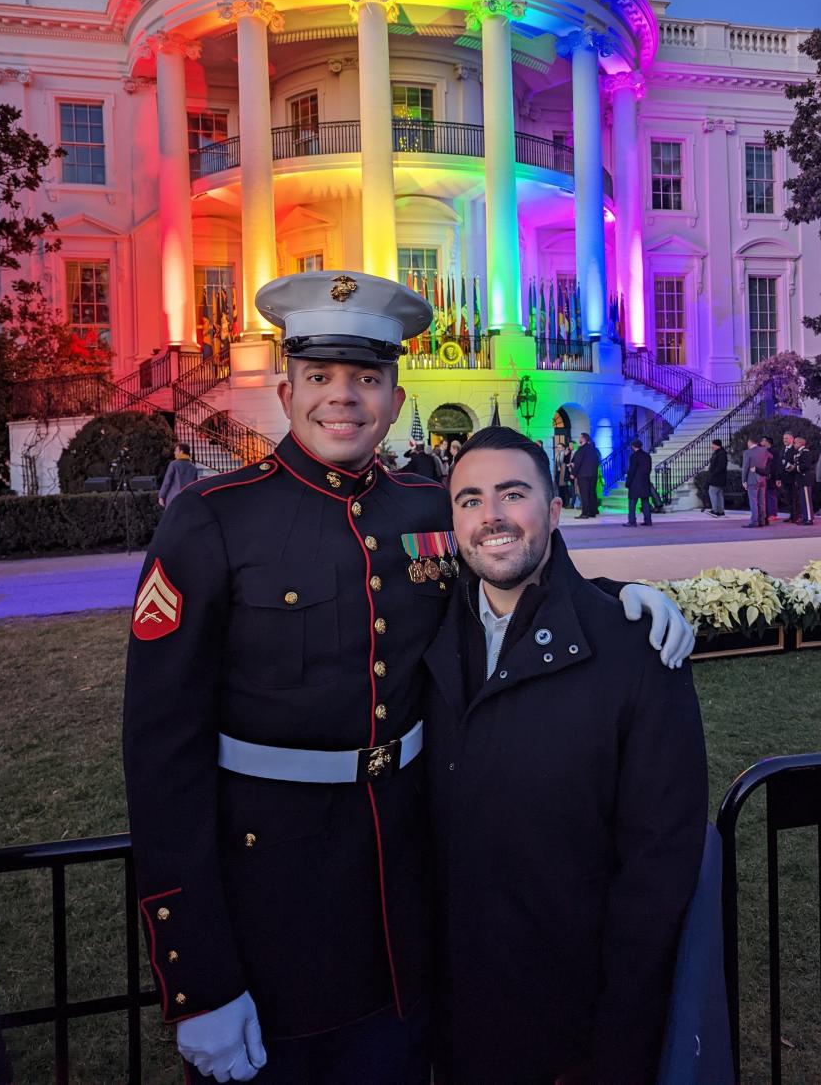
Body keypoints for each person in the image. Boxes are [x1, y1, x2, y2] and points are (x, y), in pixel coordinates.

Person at [123, 269, 696, 1084]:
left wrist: (616, 599)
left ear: (395, 398)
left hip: (410, 900)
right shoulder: (212, 518)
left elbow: (508, 563)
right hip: (274, 906)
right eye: (320, 376)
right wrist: (199, 979)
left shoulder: (429, 507)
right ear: (287, 391)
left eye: (366, 377)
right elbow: (161, 761)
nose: (343, 398)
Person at [424, 427, 708, 1084]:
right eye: (469, 499)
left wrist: (616, 1048)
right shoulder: (430, 638)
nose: (490, 515)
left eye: (512, 493)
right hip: (453, 1026)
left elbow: (657, 875)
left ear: (554, 510)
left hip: (574, 1035)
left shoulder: (638, 655)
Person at [741, 433, 771, 528]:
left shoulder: (747, 452)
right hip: (762, 478)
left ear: (750, 442)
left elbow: (745, 467)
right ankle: (762, 520)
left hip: (752, 479)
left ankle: (754, 521)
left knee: (753, 501)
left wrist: (743, 480)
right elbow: (771, 458)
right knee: (762, 501)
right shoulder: (765, 450)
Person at [157, 443, 198, 508]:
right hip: (188, 499)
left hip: (174, 498)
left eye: (176, 450)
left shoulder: (174, 464)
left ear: (181, 452)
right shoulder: (193, 468)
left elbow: (167, 482)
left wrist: (161, 496)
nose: (174, 453)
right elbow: (195, 485)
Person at [571, 430, 601, 518]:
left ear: (583, 439)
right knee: (592, 493)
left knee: (584, 494)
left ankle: (585, 513)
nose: (579, 439)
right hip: (593, 474)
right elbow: (597, 461)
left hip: (583, 475)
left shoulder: (581, 450)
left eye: (580, 437)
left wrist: (573, 473)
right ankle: (592, 512)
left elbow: (578, 462)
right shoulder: (593, 449)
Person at [625, 437, 654, 527]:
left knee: (632, 503)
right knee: (645, 502)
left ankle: (632, 521)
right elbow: (649, 469)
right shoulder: (647, 456)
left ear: (633, 446)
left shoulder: (633, 457)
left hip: (635, 483)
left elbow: (632, 471)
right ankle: (648, 520)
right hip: (645, 481)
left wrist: (628, 482)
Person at [791, 434, 815, 525]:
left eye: (795, 443)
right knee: (803, 500)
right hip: (801, 479)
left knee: (806, 500)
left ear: (800, 443)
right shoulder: (799, 453)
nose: (794, 445)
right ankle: (805, 517)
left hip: (805, 479)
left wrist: (795, 468)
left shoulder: (805, 452)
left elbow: (806, 466)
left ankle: (809, 518)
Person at [776, 431, 798, 522]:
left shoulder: (795, 450)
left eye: (786, 438)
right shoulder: (782, 449)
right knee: (788, 498)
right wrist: (778, 478)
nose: (784, 440)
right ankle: (791, 515)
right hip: (784, 479)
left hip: (793, 478)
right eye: (784, 438)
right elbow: (779, 464)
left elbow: (797, 463)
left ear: (792, 439)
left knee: (794, 498)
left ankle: (796, 516)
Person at [706, 438, 728, 517]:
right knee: (719, 494)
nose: (711, 446)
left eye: (712, 444)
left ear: (716, 445)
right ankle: (720, 511)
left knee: (713, 492)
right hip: (718, 477)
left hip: (717, 477)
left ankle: (715, 510)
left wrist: (713, 474)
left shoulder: (721, 454)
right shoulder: (719, 453)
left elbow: (720, 466)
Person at [760, 435, 778, 521]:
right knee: (766, 495)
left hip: (771, 476)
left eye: (763, 440)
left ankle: (773, 514)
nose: (761, 442)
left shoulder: (773, 452)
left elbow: (774, 464)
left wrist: (770, 473)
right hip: (765, 476)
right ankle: (768, 513)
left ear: (768, 442)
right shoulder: (764, 451)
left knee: (771, 494)